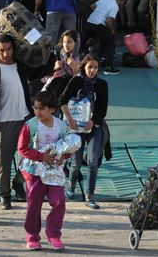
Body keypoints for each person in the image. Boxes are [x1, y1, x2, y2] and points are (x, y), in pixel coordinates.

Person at [0, 34, 54, 210]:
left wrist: (49, 51)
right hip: (4, 122)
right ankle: (4, 195)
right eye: (1, 50)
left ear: (13, 49)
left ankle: (18, 182)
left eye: (9, 49)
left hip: (26, 118)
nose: (5, 53)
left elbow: (42, 69)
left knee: (32, 158)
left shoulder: (21, 66)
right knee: (3, 162)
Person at [17, 90, 70, 251]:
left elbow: (69, 145)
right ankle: (32, 236)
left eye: (42, 108)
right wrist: (40, 157)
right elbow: (22, 148)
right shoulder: (30, 125)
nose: (37, 112)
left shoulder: (61, 126)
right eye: (35, 108)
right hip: (34, 172)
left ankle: (54, 235)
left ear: (52, 109)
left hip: (54, 172)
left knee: (59, 201)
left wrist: (64, 156)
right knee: (34, 203)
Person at [59, 54, 109, 210]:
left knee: (93, 162)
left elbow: (102, 110)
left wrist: (93, 121)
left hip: (93, 127)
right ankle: (71, 186)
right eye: (90, 67)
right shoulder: (76, 81)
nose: (93, 70)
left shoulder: (102, 85)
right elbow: (62, 100)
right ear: (84, 67)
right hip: (76, 127)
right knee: (77, 162)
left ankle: (90, 195)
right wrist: (70, 120)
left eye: (95, 67)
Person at [84, 0, 121, 75]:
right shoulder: (115, 5)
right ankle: (108, 68)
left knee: (84, 42)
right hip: (99, 25)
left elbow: (92, 6)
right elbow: (109, 20)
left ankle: (83, 61)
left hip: (90, 22)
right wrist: (112, 30)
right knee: (110, 44)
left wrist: (99, 11)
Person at [42, 30, 81, 98]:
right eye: (64, 42)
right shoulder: (57, 54)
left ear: (76, 43)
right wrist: (54, 67)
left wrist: (74, 68)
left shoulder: (81, 58)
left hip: (70, 89)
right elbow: (45, 72)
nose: (66, 45)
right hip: (54, 84)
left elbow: (81, 80)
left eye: (69, 42)